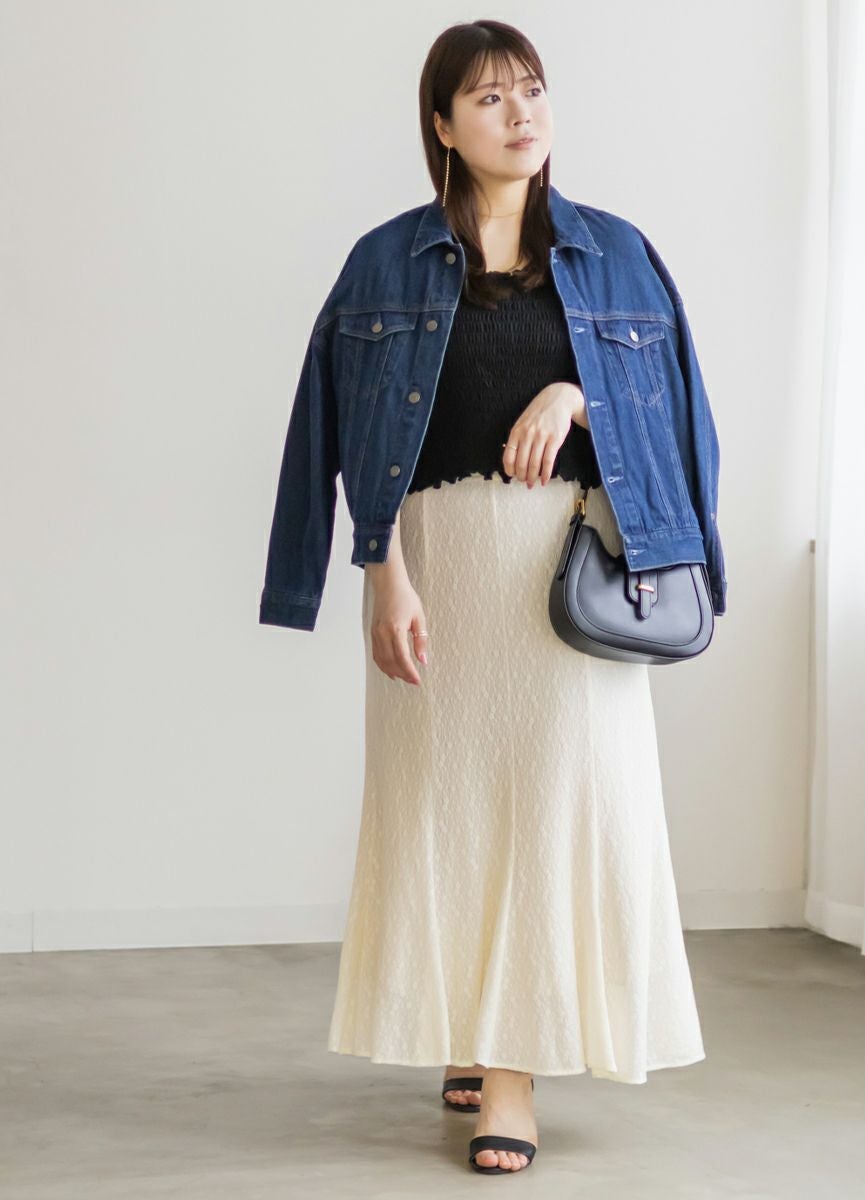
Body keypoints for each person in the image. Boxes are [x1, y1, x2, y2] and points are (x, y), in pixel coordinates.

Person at [260, 18, 724, 1177]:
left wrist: (577, 397)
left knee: (560, 810)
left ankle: (509, 1075)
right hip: (436, 565)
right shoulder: (383, 263)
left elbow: (676, 415)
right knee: (445, 811)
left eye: (531, 89)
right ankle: (468, 1033)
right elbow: (335, 434)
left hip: (568, 572)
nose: (521, 114)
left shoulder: (617, 254)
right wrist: (379, 574)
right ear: (441, 126)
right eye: (487, 98)